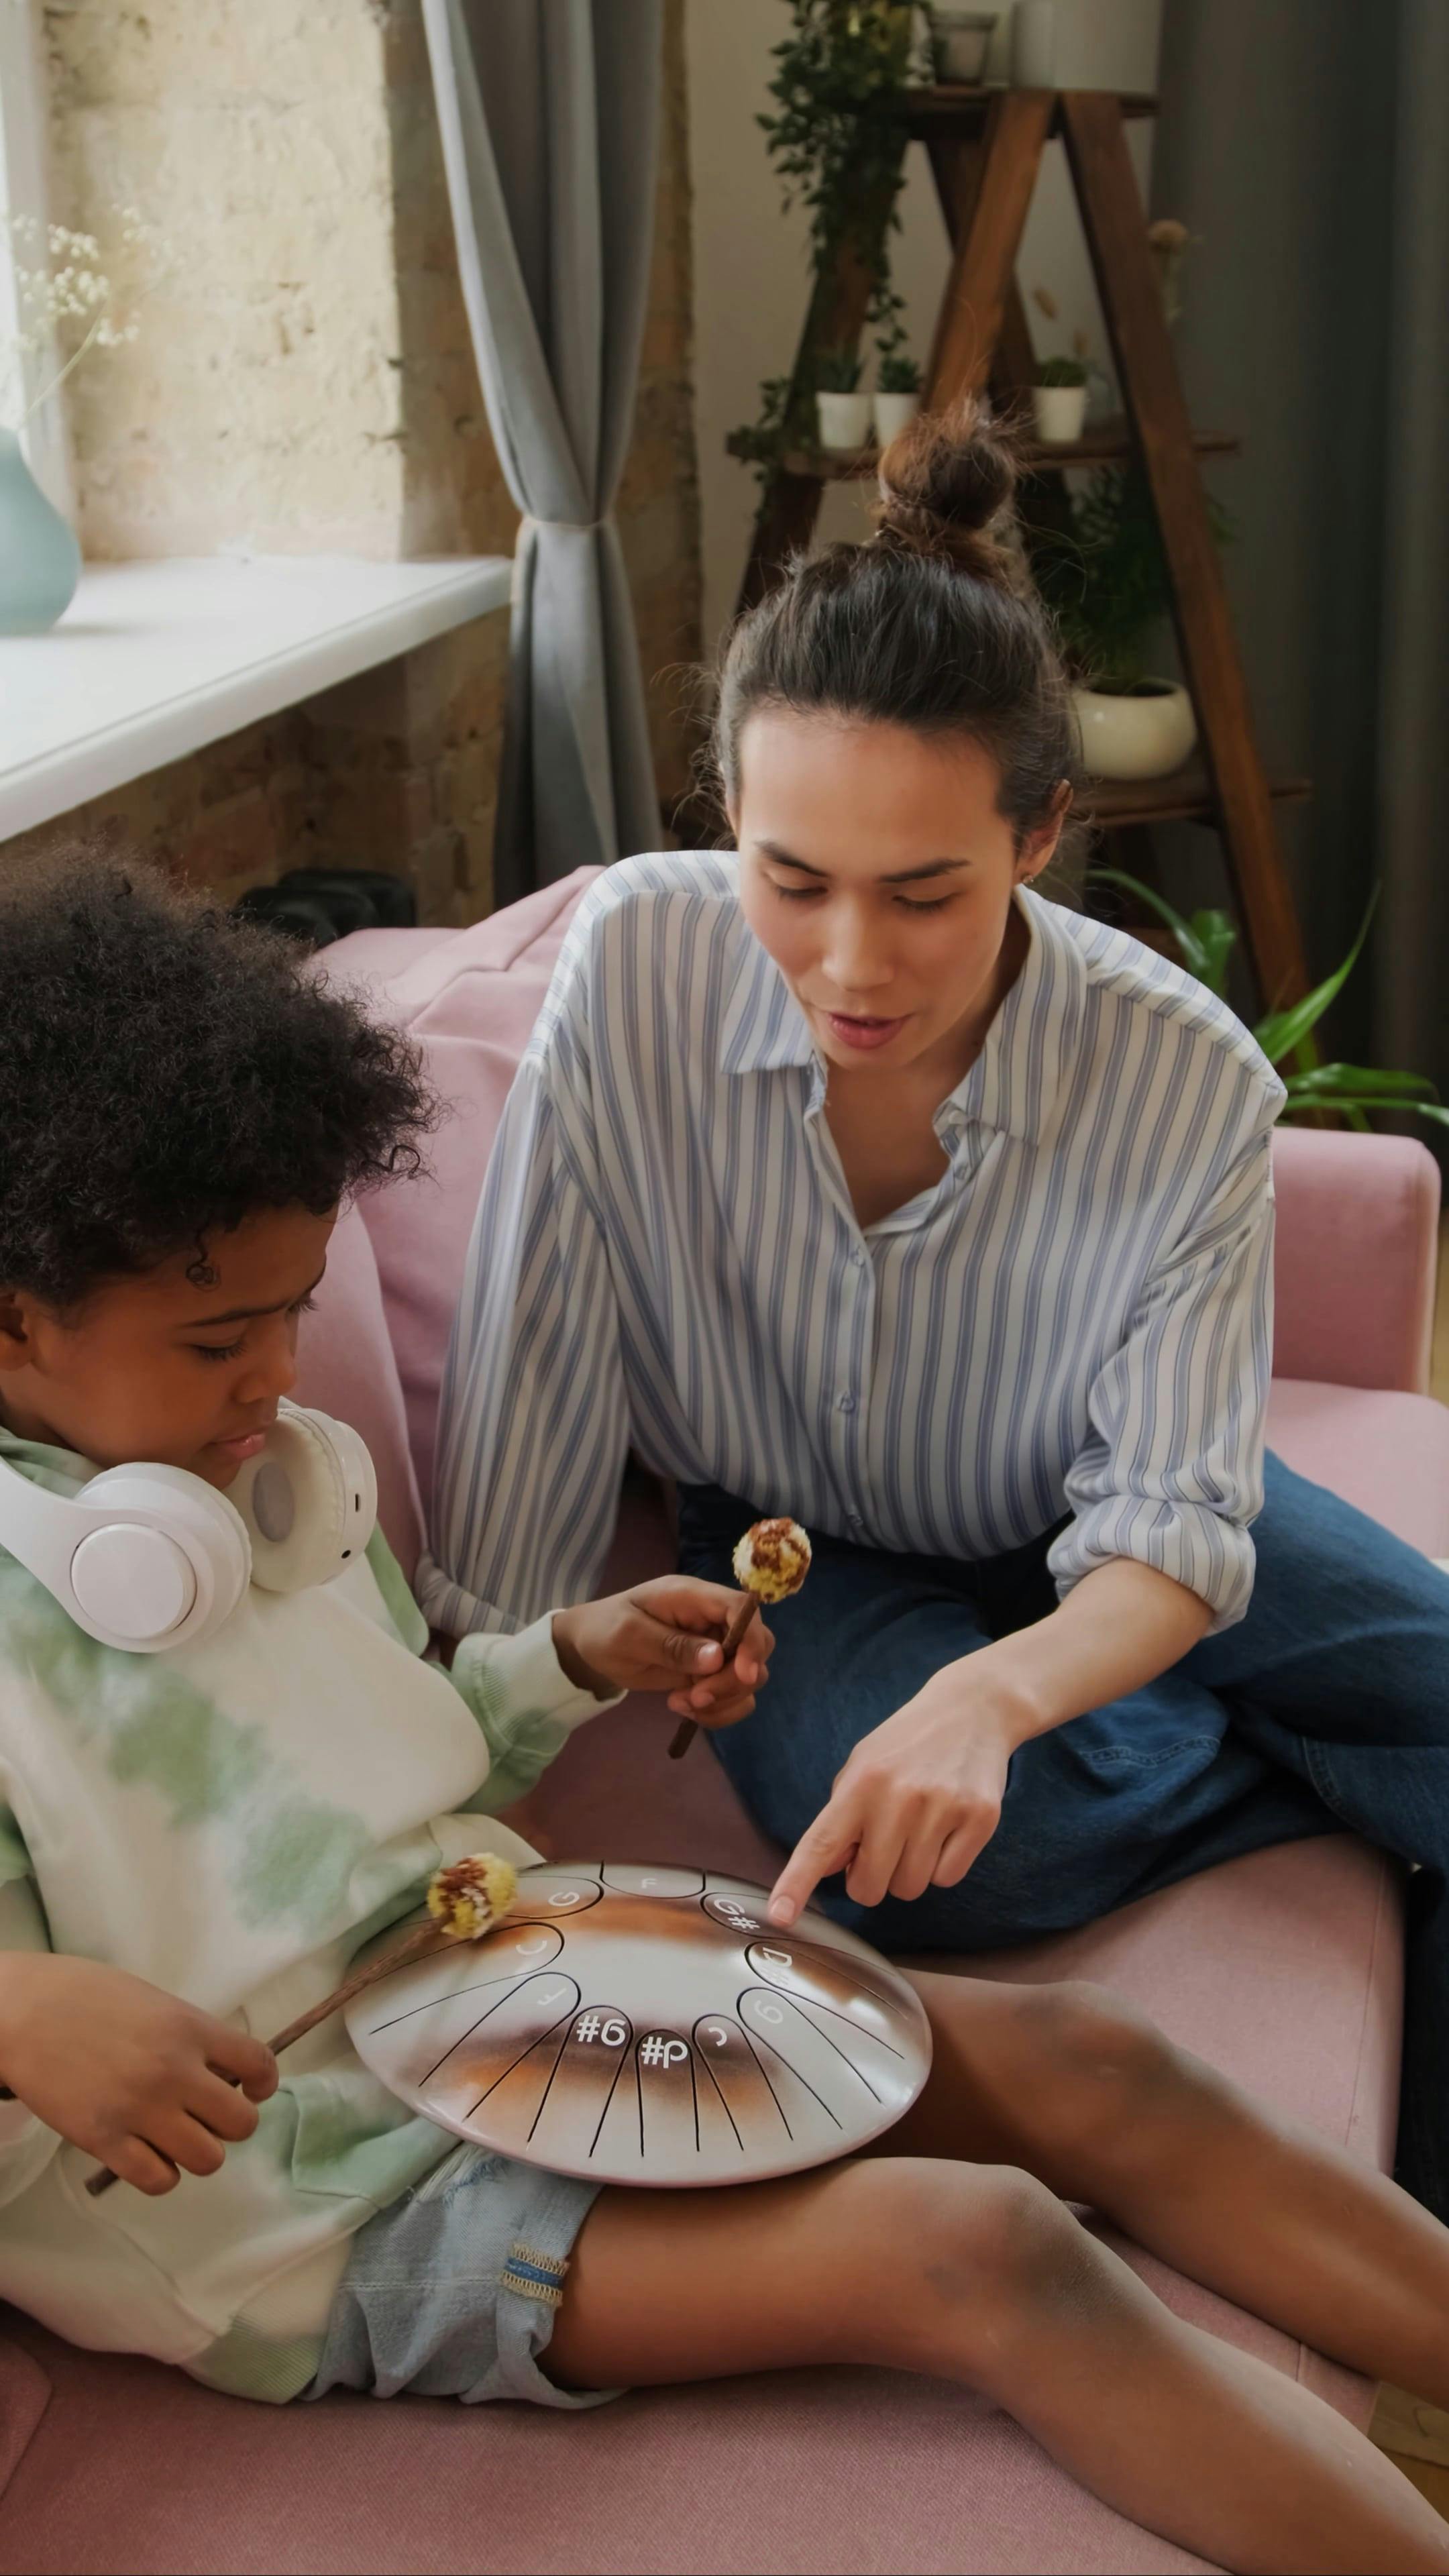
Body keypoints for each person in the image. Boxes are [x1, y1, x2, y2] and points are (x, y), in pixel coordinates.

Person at [3, 866, 1449, 2573]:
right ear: (14, 1319)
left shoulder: (257, 1491)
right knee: (981, 2247)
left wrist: (570, 1656)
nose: (275, 1378)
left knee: (1094, 2058)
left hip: (503, 1984)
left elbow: (400, 1748)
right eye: (216, 1338)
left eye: (294, 1315)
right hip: (313, 2215)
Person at [423, 401, 1449, 2235]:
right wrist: (492, 1728)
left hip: (1079, 1504)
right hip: (789, 1552)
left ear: (1043, 836)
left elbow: (1169, 1518)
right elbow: (537, 1384)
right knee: (948, 1857)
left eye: (925, 895)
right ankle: (1323, 1772)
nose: (849, 963)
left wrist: (997, 1688)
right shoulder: (634, 972)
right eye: (792, 878)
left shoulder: (1186, 1081)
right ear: (728, 811)